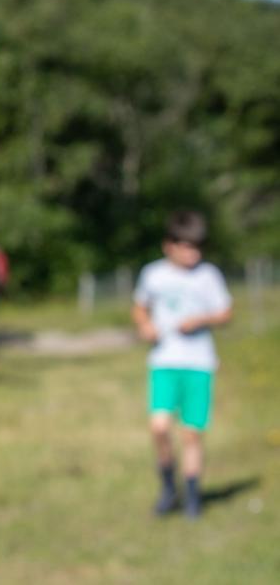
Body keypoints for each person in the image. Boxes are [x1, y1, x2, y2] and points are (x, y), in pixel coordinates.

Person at [132, 210, 232, 519]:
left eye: (197, 246)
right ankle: (167, 486)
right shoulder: (153, 274)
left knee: (191, 434)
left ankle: (191, 495)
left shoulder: (209, 276)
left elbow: (225, 312)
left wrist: (202, 319)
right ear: (169, 245)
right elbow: (140, 307)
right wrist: (144, 326)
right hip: (164, 362)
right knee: (159, 427)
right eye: (187, 246)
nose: (193, 253)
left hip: (199, 363)